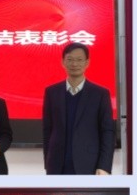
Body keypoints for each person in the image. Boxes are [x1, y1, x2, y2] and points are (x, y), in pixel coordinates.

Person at [41, 42, 115, 175]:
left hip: (89, 165)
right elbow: (47, 129)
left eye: (79, 60)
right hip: (57, 165)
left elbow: (107, 132)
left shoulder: (100, 94)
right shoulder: (52, 92)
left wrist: (104, 166)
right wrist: (48, 162)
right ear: (63, 62)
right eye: (70, 59)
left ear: (87, 63)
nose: (74, 64)